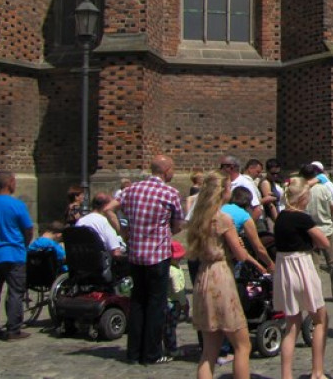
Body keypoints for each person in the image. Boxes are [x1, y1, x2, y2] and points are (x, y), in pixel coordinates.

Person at [187, 170, 266, 379]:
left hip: (203, 274)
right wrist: (240, 247)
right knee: (242, 344)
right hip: (221, 274)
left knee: (209, 350)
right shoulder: (223, 219)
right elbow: (240, 255)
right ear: (222, 192)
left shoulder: (198, 218)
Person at [114, 154, 185, 366]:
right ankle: (152, 354)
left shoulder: (131, 190)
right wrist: (168, 231)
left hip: (136, 255)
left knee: (137, 302)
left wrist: (125, 233)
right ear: (166, 170)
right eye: (172, 168)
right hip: (157, 255)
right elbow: (178, 224)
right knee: (156, 304)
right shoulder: (170, 192)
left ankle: (134, 353)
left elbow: (111, 209)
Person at [273, 177, 330, 379]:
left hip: (284, 268)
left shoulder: (280, 217)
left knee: (292, 325)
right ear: (303, 197)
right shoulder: (302, 218)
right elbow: (324, 242)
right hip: (301, 265)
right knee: (320, 319)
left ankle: (286, 375)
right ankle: (317, 371)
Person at [0, 171, 34, 341]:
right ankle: (13, 329)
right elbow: (28, 228)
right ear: (10, 183)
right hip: (13, 253)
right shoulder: (17, 205)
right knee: (15, 293)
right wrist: (25, 244)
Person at [301, 163, 333, 302]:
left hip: (310, 230)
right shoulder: (323, 189)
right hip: (326, 228)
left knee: (314, 264)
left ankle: (315, 293)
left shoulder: (302, 191)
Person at [163, 241, 187, 358]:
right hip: (173, 302)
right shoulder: (174, 271)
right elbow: (178, 290)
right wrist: (184, 304)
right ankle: (172, 349)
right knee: (170, 327)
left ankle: (168, 347)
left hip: (168, 301)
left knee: (167, 327)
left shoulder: (169, 268)